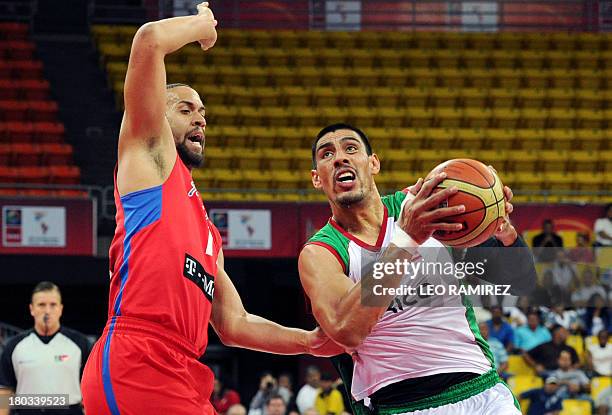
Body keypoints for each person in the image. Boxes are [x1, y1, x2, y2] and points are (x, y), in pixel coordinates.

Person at [80, 5, 338, 414]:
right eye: (186, 109)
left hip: (185, 368)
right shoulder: (150, 156)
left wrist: (308, 341)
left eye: (203, 113)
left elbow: (234, 324)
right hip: (137, 359)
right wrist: (201, 26)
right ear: (157, 115)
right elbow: (148, 41)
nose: (199, 118)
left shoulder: (207, 232)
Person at [298, 123, 537, 414]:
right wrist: (406, 239)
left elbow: (522, 283)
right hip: (401, 404)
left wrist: (503, 233)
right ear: (316, 179)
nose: (339, 158)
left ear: (373, 163)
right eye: (327, 154)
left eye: (351, 148)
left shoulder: (425, 207)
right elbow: (347, 331)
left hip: (480, 392)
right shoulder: (321, 252)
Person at [0, 282, 91, 415]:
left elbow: (92, 388)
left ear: (60, 308)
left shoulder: (80, 343)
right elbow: (5, 390)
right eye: (41, 305)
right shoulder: (14, 345)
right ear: (32, 309)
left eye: (53, 305)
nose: (47, 310)